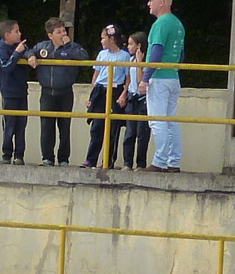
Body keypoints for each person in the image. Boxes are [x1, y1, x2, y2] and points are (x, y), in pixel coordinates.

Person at [33, 16, 88, 166]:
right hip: (47, 93)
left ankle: (63, 158)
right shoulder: (42, 47)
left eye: (64, 31)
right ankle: (47, 158)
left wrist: (69, 45)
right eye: (58, 32)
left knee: (64, 127)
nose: (63, 34)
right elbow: (28, 52)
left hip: (65, 93)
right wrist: (30, 56)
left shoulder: (72, 47)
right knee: (46, 127)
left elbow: (83, 56)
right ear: (50, 35)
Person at [143, 0, 185, 173]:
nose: (148, 4)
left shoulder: (160, 23)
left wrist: (145, 78)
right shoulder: (177, 24)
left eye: (151, 0)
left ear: (162, 2)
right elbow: (181, 53)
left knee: (157, 120)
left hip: (159, 78)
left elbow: (156, 50)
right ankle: (173, 161)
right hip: (173, 76)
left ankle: (159, 161)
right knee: (170, 121)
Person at [83, 23, 130, 169]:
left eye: (103, 38)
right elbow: (96, 75)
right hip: (100, 90)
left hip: (115, 90)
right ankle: (90, 159)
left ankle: (108, 160)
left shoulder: (124, 56)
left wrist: (123, 94)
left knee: (112, 128)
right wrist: (92, 96)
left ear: (111, 38)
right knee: (97, 126)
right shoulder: (102, 54)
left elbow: (128, 78)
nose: (101, 41)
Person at [0, 18, 35, 164]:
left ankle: (19, 155)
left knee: (21, 125)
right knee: (9, 125)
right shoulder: (1, 48)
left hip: (21, 92)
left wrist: (30, 55)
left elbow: (29, 50)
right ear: (7, 35)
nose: (20, 34)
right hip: (9, 93)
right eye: (16, 31)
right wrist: (17, 53)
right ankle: (6, 154)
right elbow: (5, 67)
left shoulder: (21, 46)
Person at [118, 31, 150, 169]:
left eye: (131, 44)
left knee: (142, 133)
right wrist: (124, 94)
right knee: (129, 133)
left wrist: (139, 63)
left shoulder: (145, 61)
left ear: (139, 46)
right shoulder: (130, 60)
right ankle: (127, 163)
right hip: (132, 97)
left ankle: (141, 164)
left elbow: (139, 80)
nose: (128, 47)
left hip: (143, 99)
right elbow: (130, 80)